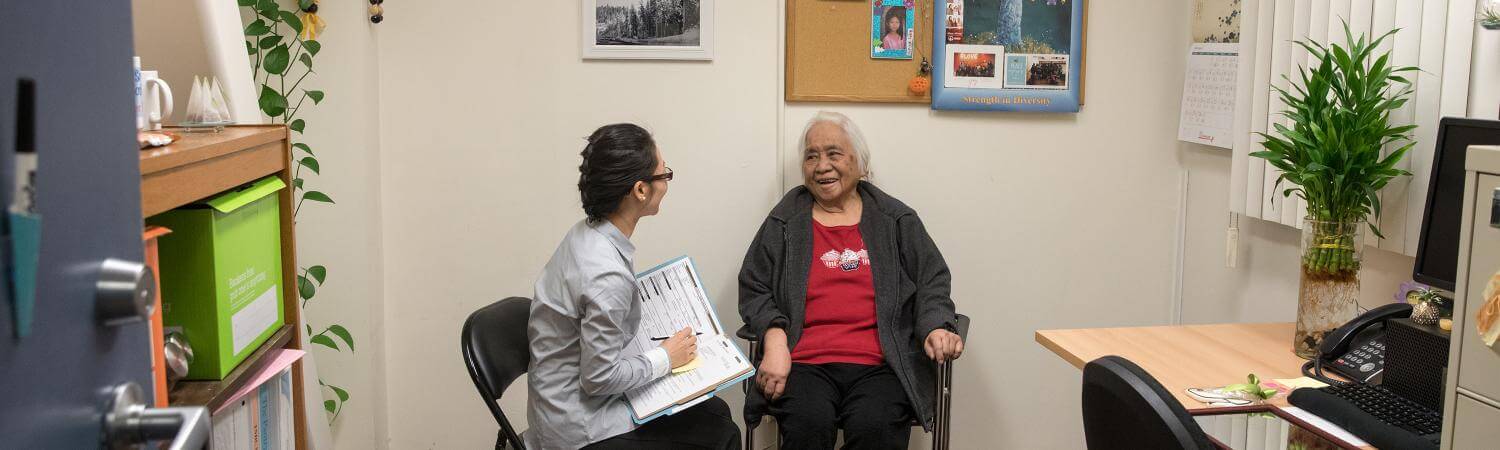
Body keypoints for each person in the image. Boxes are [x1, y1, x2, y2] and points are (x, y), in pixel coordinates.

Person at [738, 112, 962, 450]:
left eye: (833, 153)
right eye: (811, 156)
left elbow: (931, 280)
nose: (821, 165)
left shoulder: (896, 220)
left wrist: (935, 326)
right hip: (804, 362)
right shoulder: (785, 221)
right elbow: (754, 287)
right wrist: (775, 342)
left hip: (882, 363)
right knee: (807, 425)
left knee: (877, 427)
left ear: (860, 162)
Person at [527, 123, 741, 450]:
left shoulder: (586, 234)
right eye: (663, 175)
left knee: (714, 410)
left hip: (560, 404)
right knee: (722, 432)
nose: (666, 182)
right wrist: (666, 358)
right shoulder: (605, 273)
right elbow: (598, 379)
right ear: (641, 190)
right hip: (581, 427)